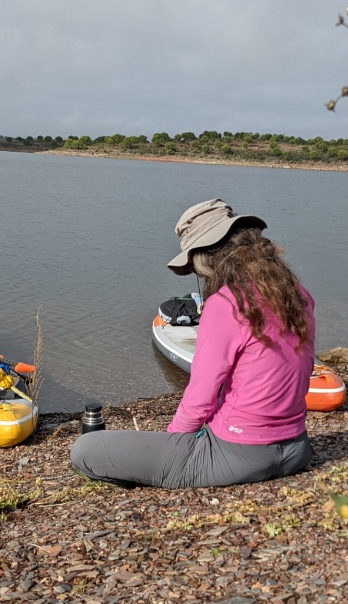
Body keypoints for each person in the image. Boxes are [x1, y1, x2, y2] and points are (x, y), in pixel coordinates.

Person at [70, 198, 316, 488]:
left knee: (86, 450)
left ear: (206, 258)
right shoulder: (297, 294)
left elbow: (200, 399)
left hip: (239, 455)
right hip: (297, 448)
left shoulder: (226, 303)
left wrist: (175, 443)